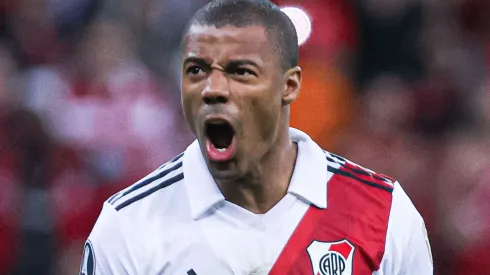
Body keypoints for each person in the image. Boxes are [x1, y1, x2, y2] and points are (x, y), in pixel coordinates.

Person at [80, 0, 433, 274]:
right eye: (197, 71)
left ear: (289, 86)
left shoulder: (386, 215)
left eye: (241, 71)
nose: (213, 89)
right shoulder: (128, 224)